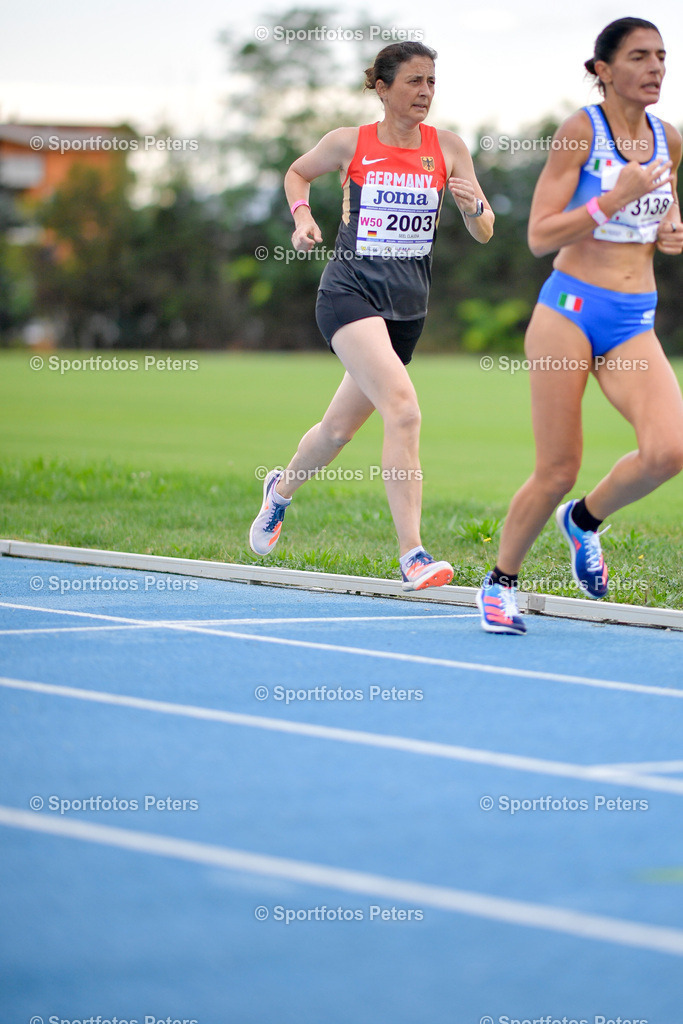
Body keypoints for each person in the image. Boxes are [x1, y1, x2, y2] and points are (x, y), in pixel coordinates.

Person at [249, 41, 494, 591]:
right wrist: (301, 218)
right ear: (381, 89)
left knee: (337, 430)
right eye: (413, 82)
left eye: (431, 81)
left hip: (407, 309)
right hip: (349, 293)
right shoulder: (348, 143)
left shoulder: (449, 148)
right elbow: (296, 172)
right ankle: (413, 554)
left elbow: (485, 230)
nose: (425, 92)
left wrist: (473, 206)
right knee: (403, 411)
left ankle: (280, 491)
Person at [477, 17, 683, 634]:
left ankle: (584, 521)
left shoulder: (669, 138)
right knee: (559, 466)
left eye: (662, 57)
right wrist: (607, 203)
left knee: (671, 449)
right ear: (603, 70)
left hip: (632, 318)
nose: (655, 69)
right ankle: (499, 584)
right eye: (639, 57)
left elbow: (663, 208)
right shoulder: (578, 133)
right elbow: (540, 235)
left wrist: (670, 229)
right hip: (569, 311)